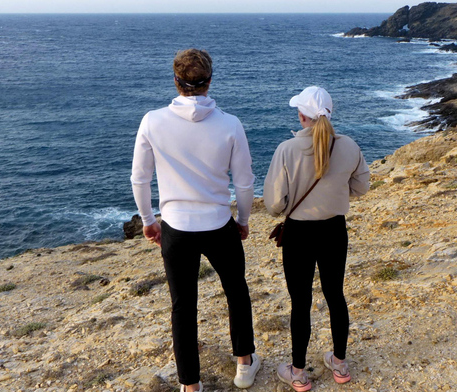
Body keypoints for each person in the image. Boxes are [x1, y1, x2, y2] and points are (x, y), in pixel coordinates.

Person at [131, 48, 261, 392]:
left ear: (176, 82)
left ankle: (190, 385)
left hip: (175, 227)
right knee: (236, 292)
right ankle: (244, 364)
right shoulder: (230, 124)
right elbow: (244, 182)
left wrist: (148, 219)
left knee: (183, 307)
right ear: (209, 82)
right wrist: (243, 219)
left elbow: (139, 178)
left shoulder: (152, 121)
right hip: (220, 224)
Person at [263, 86, 370, 391]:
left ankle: (298, 373)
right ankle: (339, 364)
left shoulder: (287, 149)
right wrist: (335, 193)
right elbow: (362, 187)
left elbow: (275, 204)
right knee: (335, 295)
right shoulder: (349, 146)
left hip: (299, 233)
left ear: (301, 116)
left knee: (301, 302)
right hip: (334, 230)